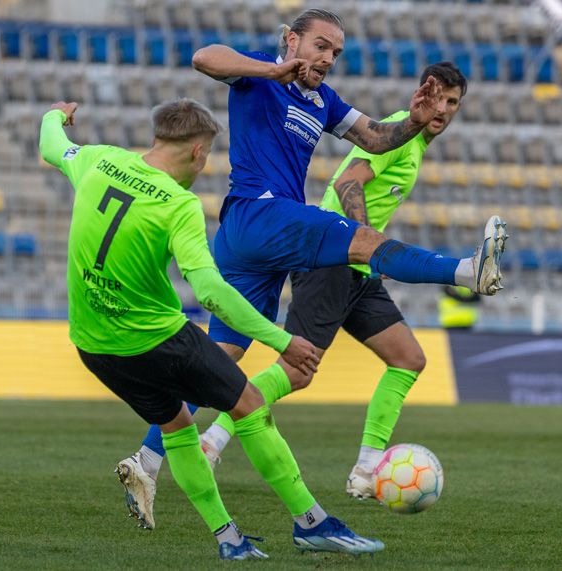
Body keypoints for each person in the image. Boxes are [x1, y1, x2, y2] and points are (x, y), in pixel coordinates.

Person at [117, 8, 507, 525]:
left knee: (220, 358)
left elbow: (373, 137)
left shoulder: (325, 101)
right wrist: (272, 70)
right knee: (364, 243)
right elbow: (203, 58)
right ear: (290, 40)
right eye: (320, 46)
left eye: (335, 52)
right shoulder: (257, 73)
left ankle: (144, 460)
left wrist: (411, 121)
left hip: (253, 239)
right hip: (262, 211)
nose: (327, 59)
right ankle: (466, 271)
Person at [39, 98, 384, 559]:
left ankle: (229, 540)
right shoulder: (179, 205)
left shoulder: (97, 159)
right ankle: (312, 524)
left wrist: (57, 115)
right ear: (199, 152)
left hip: (94, 345)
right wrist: (283, 340)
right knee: (250, 406)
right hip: (157, 339)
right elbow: (211, 292)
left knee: (177, 426)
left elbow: (51, 143)